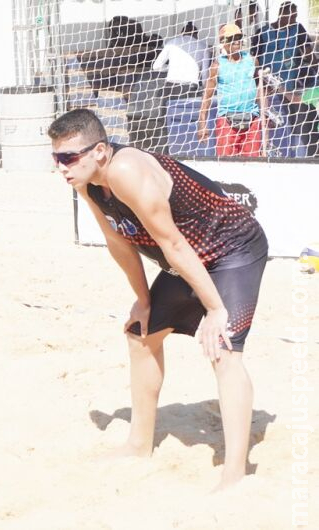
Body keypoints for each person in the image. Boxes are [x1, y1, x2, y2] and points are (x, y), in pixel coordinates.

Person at [48, 108, 268, 490]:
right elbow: (118, 242)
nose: (62, 167)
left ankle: (235, 472)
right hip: (188, 259)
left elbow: (172, 243)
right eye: (56, 158)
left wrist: (215, 309)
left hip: (232, 248)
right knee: (139, 333)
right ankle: (138, 445)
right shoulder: (86, 183)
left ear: (100, 151)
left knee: (222, 347)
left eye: (69, 157)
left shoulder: (127, 171)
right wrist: (142, 300)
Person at [198, 23, 265, 157]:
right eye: (231, 38)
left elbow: (260, 89)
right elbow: (207, 96)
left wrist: (265, 117)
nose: (236, 41)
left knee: (254, 164)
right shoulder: (217, 65)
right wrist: (202, 123)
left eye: (238, 37)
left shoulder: (252, 61)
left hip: (251, 119)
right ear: (223, 42)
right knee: (226, 163)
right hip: (227, 121)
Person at [252, 1, 308, 93]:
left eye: (295, 16)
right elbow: (255, 58)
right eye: (292, 17)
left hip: (288, 85)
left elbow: (309, 52)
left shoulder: (298, 29)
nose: (294, 20)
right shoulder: (262, 32)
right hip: (268, 83)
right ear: (281, 14)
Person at [152, 22, 210, 100]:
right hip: (190, 86)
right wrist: (204, 89)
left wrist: (170, 67)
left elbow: (156, 66)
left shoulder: (171, 43)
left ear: (181, 33)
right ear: (196, 34)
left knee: (168, 111)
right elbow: (205, 72)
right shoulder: (203, 46)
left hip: (171, 85)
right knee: (186, 110)